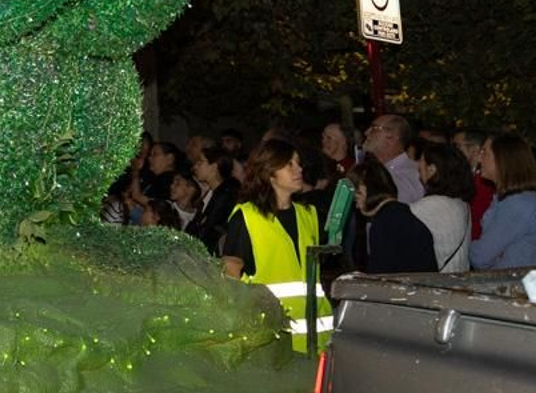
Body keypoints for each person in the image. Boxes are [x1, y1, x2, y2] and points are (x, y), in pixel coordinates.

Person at [221, 140, 332, 351]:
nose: (299, 169)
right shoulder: (247, 216)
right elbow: (231, 275)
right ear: (269, 173)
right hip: (273, 343)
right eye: (289, 164)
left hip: (317, 340)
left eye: (298, 163)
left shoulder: (310, 215)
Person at [470, 133, 536, 270]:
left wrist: (474, 247)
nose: (479, 158)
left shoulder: (517, 203)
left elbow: (479, 257)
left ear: (502, 159)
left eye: (485, 153)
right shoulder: (509, 198)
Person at [351, 155, 437, 274]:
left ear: (364, 190)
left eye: (356, 198)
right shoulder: (400, 213)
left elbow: (380, 277)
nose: (356, 206)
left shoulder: (384, 223)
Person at [412, 142, 473, 273]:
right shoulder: (462, 204)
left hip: (440, 284)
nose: (417, 165)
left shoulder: (426, 207)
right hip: (459, 280)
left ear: (432, 169)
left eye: (421, 161)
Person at [185, 145, 239, 255]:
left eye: (200, 162)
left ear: (214, 166)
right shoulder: (211, 193)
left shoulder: (226, 195)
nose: (195, 167)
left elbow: (208, 231)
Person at [364, 113, 423, 204]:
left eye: (374, 129)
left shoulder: (410, 174)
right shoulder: (374, 169)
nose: (367, 132)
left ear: (391, 137)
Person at [452, 128, 495, 241]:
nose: (453, 151)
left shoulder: (485, 181)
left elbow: (477, 220)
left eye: (457, 146)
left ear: (475, 149)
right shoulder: (465, 174)